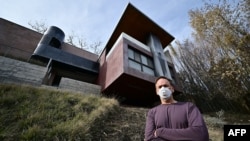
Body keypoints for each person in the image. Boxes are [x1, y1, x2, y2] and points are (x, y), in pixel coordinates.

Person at [144, 76, 209, 141]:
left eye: (165, 86)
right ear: (157, 92)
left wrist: (160, 132)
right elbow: (149, 138)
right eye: (160, 87)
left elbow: (201, 134)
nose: (163, 88)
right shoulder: (152, 113)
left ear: (172, 89)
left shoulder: (189, 107)